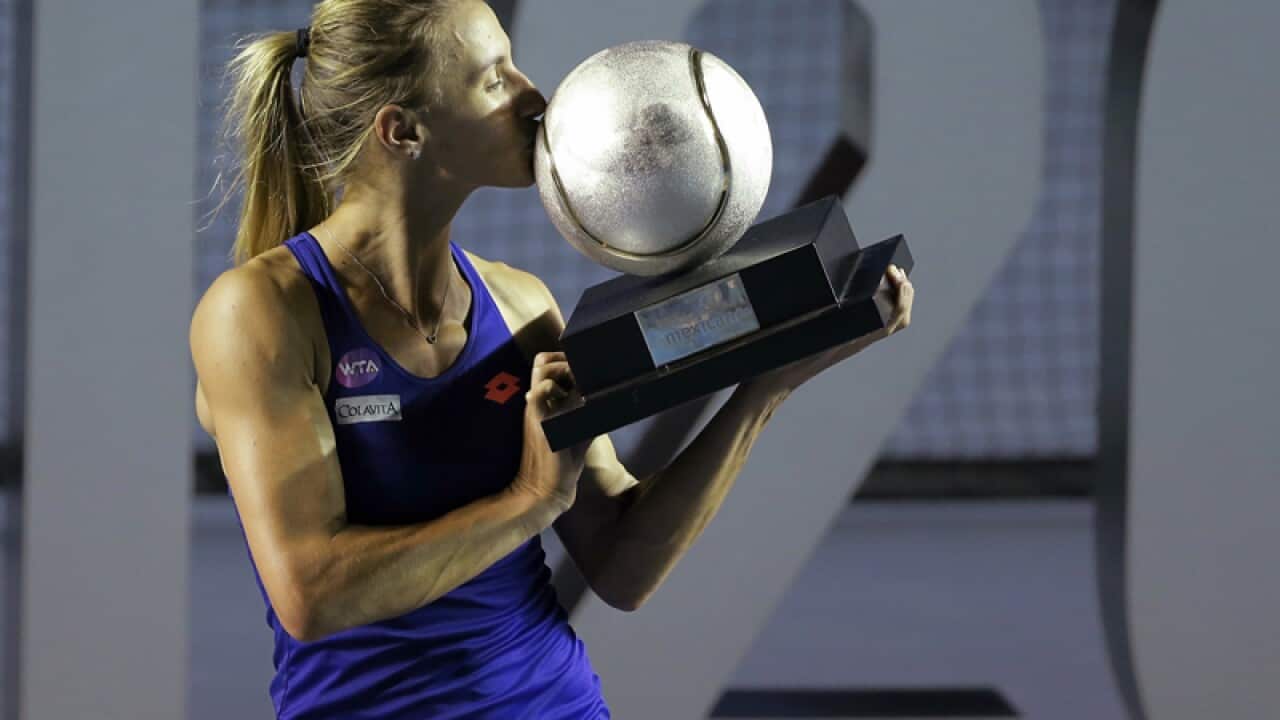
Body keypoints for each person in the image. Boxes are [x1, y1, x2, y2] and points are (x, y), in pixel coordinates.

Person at [188, 1, 915, 717]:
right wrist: (529, 501)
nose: (537, 98)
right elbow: (311, 595)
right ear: (403, 130)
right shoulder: (261, 312)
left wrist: (765, 386)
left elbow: (625, 566)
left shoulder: (521, 305)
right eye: (493, 78)